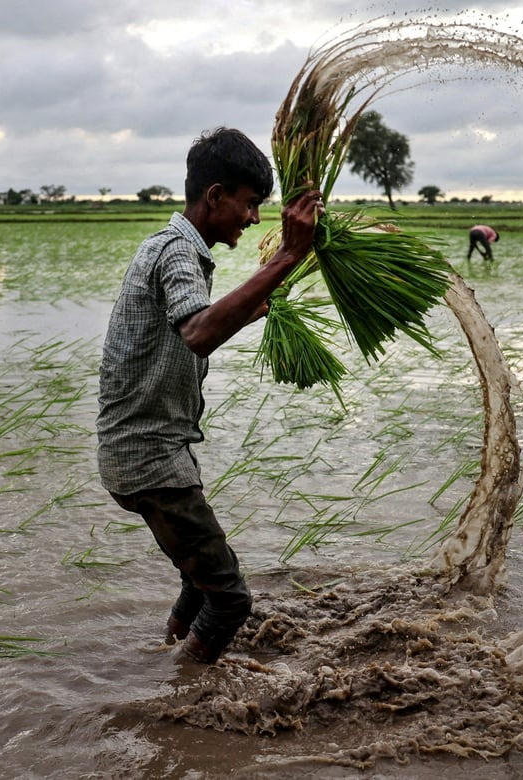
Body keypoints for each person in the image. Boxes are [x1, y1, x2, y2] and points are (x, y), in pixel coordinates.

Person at [96, 127, 323, 664]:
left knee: (199, 583)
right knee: (231, 600)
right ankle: (180, 698)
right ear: (215, 195)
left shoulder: (175, 249)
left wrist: (250, 309)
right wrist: (288, 256)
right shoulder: (177, 252)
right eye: (249, 204)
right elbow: (198, 332)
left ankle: (161, 655)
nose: (254, 219)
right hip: (149, 460)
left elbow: (189, 333)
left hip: (146, 454)